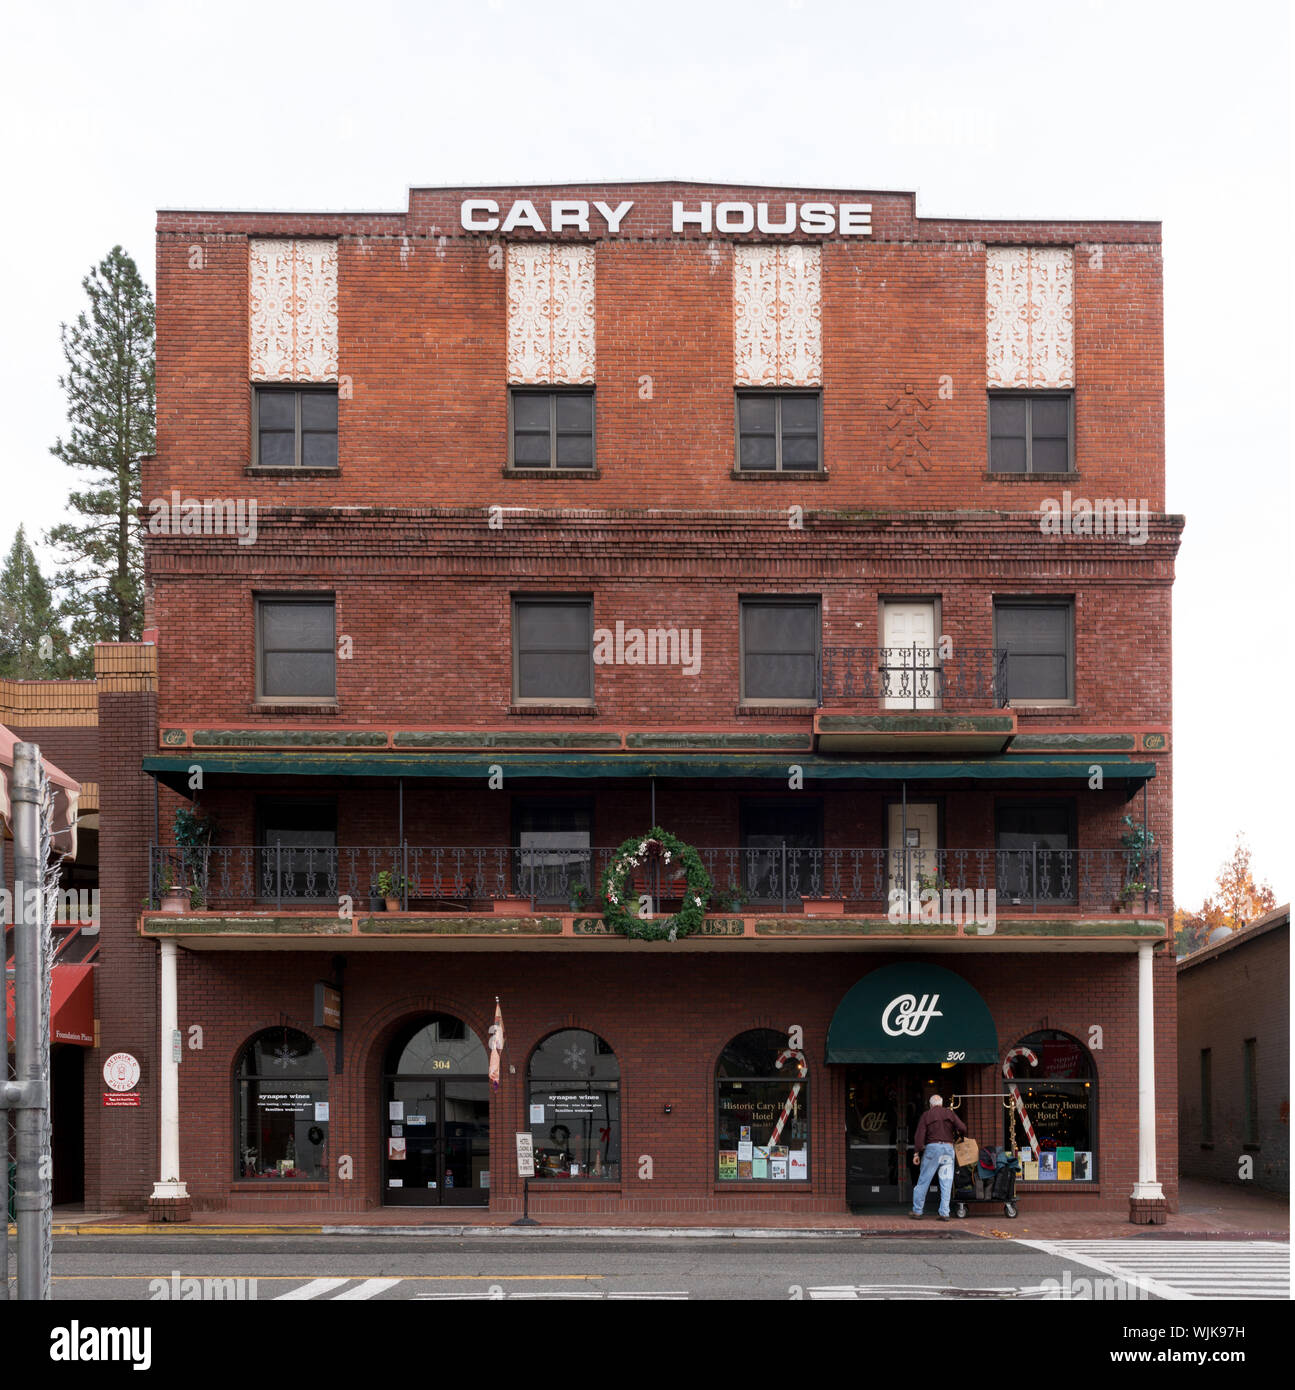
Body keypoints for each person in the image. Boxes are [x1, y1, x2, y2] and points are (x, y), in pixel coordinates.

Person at [910, 1094, 967, 1220]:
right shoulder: (949, 1113)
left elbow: (919, 1135)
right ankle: (944, 1213)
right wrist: (958, 1136)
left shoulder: (927, 1115)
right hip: (948, 1149)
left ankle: (918, 1211)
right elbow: (963, 1127)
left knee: (924, 1180)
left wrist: (916, 1152)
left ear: (930, 1105)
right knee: (946, 1182)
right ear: (941, 1103)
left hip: (933, 1149)